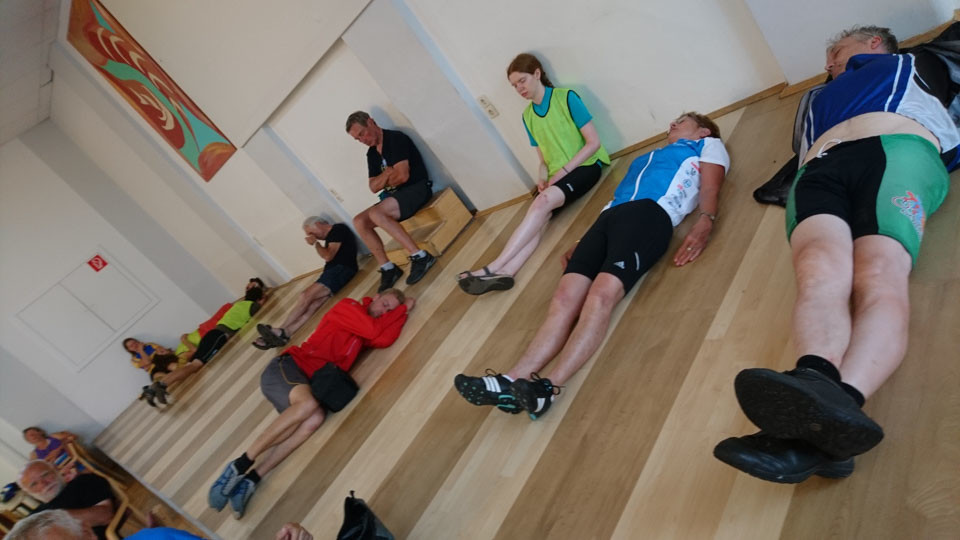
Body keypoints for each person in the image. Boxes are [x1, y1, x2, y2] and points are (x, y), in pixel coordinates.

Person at [713, 25, 960, 483]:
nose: (828, 64)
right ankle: (821, 416)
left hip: (897, 149)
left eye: (837, 51)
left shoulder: (909, 62)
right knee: (816, 270)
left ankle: (834, 409)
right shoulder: (816, 100)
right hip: (820, 169)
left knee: (878, 273)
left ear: (873, 43)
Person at [455, 113, 728, 419]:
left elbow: (710, 188)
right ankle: (511, 379)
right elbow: (618, 196)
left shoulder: (708, 146)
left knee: (600, 296)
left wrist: (706, 219)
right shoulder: (650, 155)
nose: (673, 123)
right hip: (608, 218)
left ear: (703, 131)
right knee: (563, 298)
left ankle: (548, 389)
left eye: (683, 120)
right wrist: (585, 238)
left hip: (651, 215)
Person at [208, 289, 414, 518]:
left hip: (308, 383)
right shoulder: (349, 307)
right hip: (287, 367)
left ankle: (252, 479)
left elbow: (384, 339)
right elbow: (374, 331)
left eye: (389, 310)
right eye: (384, 304)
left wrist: (401, 311)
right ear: (375, 297)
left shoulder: (366, 329)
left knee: (314, 419)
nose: (384, 311)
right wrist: (402, 309)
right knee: (308, 406)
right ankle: (239, 465)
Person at [457, 53, 610, 295]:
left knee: (541, 204)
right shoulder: (527, 117)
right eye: (514, 85)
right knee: (539, 218)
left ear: (537, 74)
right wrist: (541, 177)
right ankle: (507, 272)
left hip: (586, 167)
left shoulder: (567, 97)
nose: (519, 88)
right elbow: (543, 161)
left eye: (522, 80)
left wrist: (562, 172)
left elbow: (593, 143)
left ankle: (492, 267)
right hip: (556, 178)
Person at [346, 111, 437, 291]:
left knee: (376, 213)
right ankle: (388, 268)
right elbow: (373, 187)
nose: (362, 140)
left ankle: (420, 256)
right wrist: (388, 173)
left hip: (417, 188)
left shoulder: (395, 139)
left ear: (371, 122)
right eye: (357, 139)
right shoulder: (371, 154)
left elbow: (402, 176)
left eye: (362, 133)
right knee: (359, 221)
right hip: (394, 197)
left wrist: (384, 179)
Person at [131, 285, 266, 406]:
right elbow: (260, 306)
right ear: (259, 299)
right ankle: (161, 384)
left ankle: (158, 386)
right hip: (218, 336)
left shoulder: (239, 305)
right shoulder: (251, 306)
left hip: (213, 334)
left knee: (192, 366)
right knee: (194, 366)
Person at [254, 217, 359, 349]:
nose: (311, 236)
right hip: (337, 271)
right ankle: (287, 333)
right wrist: (317, 243)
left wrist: (315, 243)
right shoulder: (330, 237)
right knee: (313, 304)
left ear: (318, 224)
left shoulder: (337, 229)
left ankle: (280, 330)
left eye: (310, 232)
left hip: (340, 270)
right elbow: (327, 256)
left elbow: (328, 256)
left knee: (305, 296)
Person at [18, 461, 114, 540]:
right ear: (29, 492)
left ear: (55, 469)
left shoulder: (83, 482)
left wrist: (53, 517)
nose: (43, 483)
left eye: (45, 475)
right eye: (34, 484)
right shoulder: (32, 518)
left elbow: (105, 516)